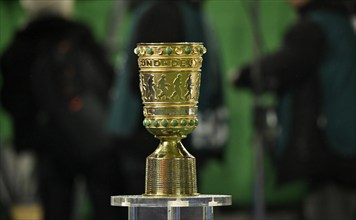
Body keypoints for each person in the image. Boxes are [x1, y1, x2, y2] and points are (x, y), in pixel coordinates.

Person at [0, 1, 126, 219]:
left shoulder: (19, 45)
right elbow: (105, 80)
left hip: (47, 142)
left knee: (56, 209)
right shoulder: (78, 35)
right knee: (106, 206)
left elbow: (11, 97)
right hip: (89, 134)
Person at [231, 0, 356, 219]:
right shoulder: (337, 21)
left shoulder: (315, 26)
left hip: (331, 152)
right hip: (342, 146)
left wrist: (245, 75)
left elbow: (287, 63)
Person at [108, 0, 229, 194]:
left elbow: (140, 78)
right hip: (194, 131)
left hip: (143, 138)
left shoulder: (158, 12)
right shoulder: (195, 13)